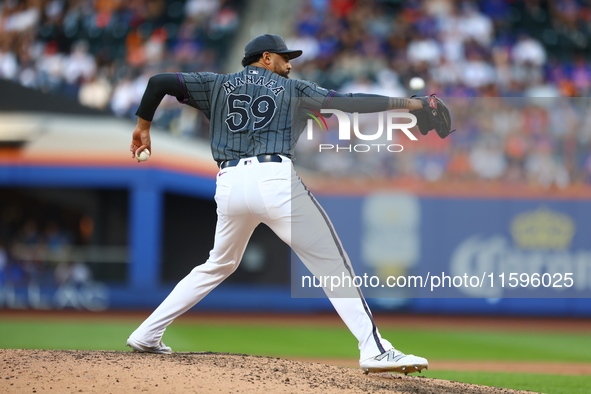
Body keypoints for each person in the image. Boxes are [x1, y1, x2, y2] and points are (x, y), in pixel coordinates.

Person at [127, 34, 428, 374]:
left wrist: (143, 127)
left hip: (228, 184)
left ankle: (147, 332)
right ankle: (374, 349)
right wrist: (412, 105)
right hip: (274, 179)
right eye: (285, 57)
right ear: (266, 57)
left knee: (218, 264)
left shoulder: (216, 84)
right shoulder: (295, 90)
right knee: (332, 264)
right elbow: (350, 103)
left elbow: (158, 82)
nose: (290, 63)